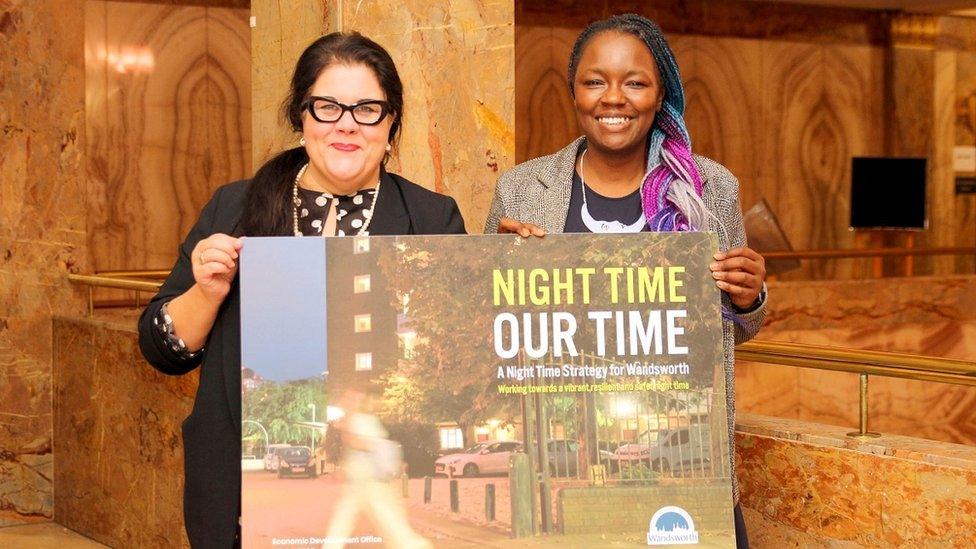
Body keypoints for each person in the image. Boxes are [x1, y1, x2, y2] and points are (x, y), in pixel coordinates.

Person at [138, 32, 465, 548]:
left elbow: (454, 346)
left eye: (368, 109)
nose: (347, 124)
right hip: (234, 505)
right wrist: (206, 291)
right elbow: (162, 349)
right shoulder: (233, 207)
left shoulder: (430, 218)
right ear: (301, 116)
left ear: (392, 121)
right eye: (327, 106)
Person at [484, 14, 766, 548]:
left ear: (661, 96)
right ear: (574, 92)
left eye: (635, 82)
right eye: (595, 81)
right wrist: (495, 271)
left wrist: (750, 296)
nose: (613, 98)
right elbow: (496, 334)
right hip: (575, 453)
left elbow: (735, 329)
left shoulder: (708, 189)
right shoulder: (522, 190)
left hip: (689, 479)